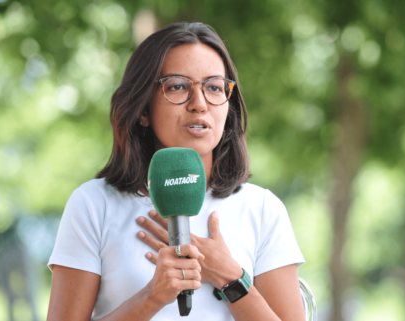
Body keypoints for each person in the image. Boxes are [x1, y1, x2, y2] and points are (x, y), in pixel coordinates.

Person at [46, 22, 305, 321]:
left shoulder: (262, 209)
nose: (199, 104)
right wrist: (152, 296)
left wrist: (229, 276)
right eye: (178, 86)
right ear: (143, 109)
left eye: (214, 87)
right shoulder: (93, 204)